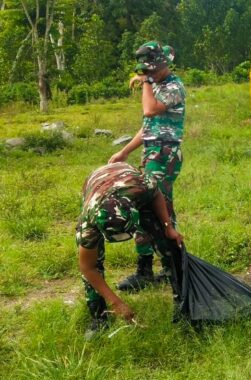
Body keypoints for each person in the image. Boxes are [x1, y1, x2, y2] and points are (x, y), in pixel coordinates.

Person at [108, 41, 186, 291]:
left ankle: (158, 268)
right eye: (146, 70)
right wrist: (123, 152)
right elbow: (148, 129)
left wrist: (146, 82)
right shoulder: (156, 85)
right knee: (156, 207)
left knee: (152, 206)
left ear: (165, 64)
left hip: (165, 154)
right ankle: (162, 265)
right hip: (152, 151)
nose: (149, 73)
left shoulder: (174, 86)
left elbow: (150, 111)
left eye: (153, 69)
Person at [76, 162, 184, 339]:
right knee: (93, 264)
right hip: (96, 183)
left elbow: (156, 194)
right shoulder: (90, 221)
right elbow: (87, 268)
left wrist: (168, 226)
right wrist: (116, 302)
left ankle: (182, 299)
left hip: (126, 178)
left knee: (167, 242)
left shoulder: (140, 187)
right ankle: (99, 317)